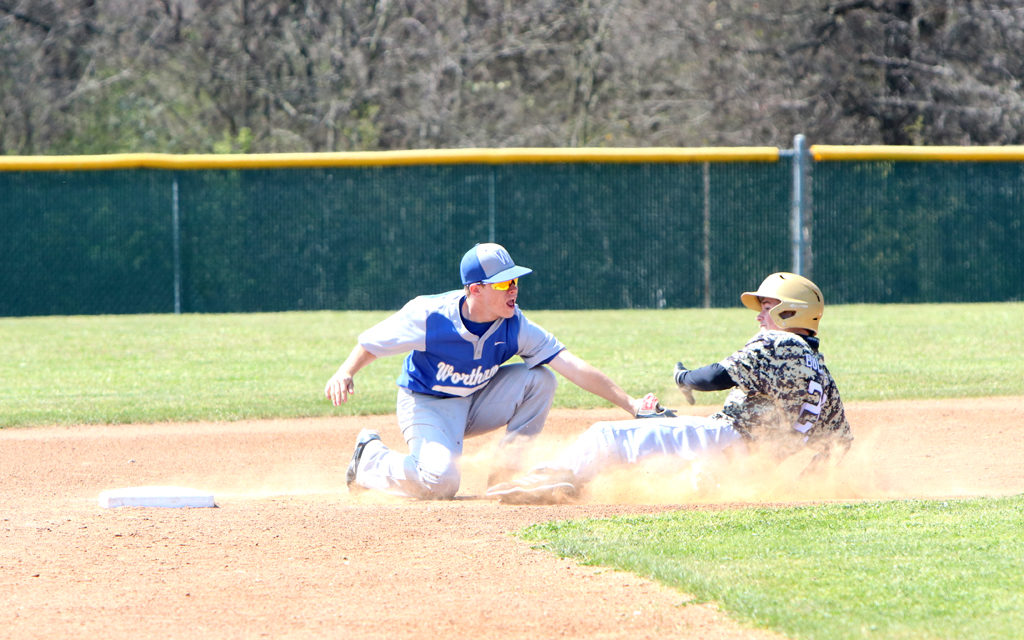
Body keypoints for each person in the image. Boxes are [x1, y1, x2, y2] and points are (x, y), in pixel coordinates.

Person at [486, 272, 854, 504]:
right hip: (744, 462)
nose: (760, 316)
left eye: (768, 306)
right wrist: (799, 490)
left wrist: (683, 378)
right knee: (661, 448)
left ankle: (551, 480)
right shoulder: (822, 374)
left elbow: (714, 377)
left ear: (791, 312)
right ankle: (700, 483)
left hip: (724, 438)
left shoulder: (780, 343)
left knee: (606, 437)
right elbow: (840, 444)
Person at [325, 242, 650, 500]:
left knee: (540, 379)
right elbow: (372, 342)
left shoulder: (515, 325)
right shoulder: (430, 315)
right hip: (427, 403)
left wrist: (631, 404)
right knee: (440, 483)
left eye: (515, 281)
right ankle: (370, 460)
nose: (514, 289)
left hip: (477, 399)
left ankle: (507, 471)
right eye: (504, 282)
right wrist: (345, 372)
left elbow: (571, 365)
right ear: (476, 289)